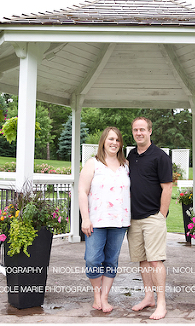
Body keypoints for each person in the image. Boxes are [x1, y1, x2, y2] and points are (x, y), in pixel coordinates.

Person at [78, 126, 131, 313]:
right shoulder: (93, 163)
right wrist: (85, 218)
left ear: (121, 143)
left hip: (119, 222)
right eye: (110, 139)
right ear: (103, 141)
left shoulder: (126, 165)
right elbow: (82, 192)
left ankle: (104, 297)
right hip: (96, 221)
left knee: (111, 260)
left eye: (117, 140)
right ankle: (96, 294)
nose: (114, 143)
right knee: (93, 259)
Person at [126, 117, 173, 320]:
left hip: (153, 216)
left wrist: (161, 215)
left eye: (142, 129)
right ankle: (148, 297)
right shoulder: (131, 154)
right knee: (143, 260)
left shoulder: (160, 156)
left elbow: (167, 187)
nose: (139, 133)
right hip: (134, 218)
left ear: (150, 131)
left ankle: (161, 303)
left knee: (155, 261)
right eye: (136, 130)